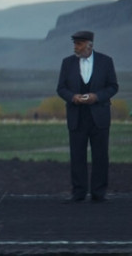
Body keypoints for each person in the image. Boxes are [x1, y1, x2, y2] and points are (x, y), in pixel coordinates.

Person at [56, 31, 118, 203]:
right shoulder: (67, 63)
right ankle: (79, 192)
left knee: (100, 156)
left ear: (89, 45)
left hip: (99, 116)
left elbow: (113, 87)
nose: (75, 47)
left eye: (79, 44)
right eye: (75, 44)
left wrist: (96, 97)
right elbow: (61, 88)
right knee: (77, 156)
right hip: (76, 116)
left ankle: (99, 193)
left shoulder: (106, 62)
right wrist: (72, 97)